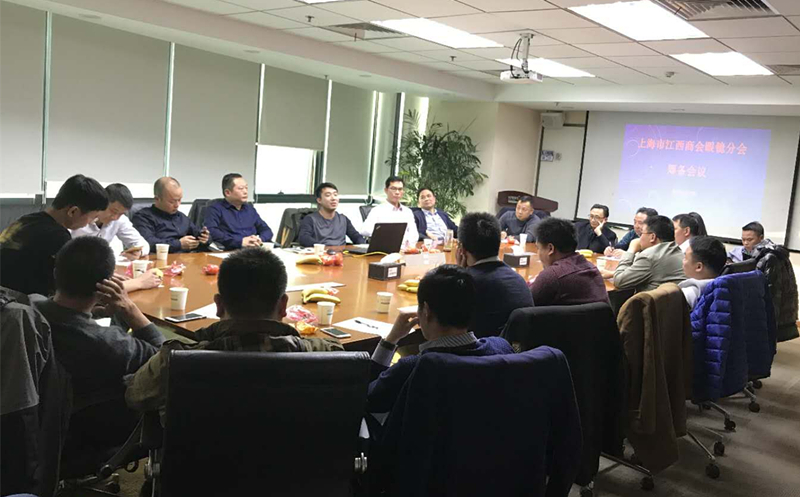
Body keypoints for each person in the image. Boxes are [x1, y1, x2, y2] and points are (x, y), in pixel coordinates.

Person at [125, 248, 344, 424]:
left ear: (219, 305)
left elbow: (134, 396)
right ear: (283, 305)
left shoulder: (175, 361)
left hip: (202, 465)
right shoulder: (328, 357)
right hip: (296, 466)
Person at [33, 237, 165, 453]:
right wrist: (129, 309)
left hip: (33, 422)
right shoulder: (108, 344)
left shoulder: (28, 306)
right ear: (106, 287)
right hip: (83, 429)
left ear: (56, 274)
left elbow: (60, 313)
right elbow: (165, 358)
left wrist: (91, 312)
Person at [366, 264, 514, 415]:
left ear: (426, 311)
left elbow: (367, 398)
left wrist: (391, 340)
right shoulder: (501, 348)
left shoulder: (413, 367)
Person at [0, 174, 107, 296]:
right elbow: (72, 284)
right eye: (92, 217)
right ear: (73, 211)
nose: (91, 222)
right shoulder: (58, 237)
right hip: (19, 302)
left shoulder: (26, 220)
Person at [71, 183, 161, 293]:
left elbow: (143, 244)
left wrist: (138, 252)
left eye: (121, 214)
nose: (115, 217)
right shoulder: (79, 219)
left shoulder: (119, 220)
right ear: (102, 202)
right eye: (113, 211)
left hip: (103, 273)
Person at [456, 212, 533, 337]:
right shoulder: (518, 279)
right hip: (518, 348)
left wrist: (459, 273)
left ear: (462, 250)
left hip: (479, 348)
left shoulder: (465, 284)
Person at [530, 218, 609, 306]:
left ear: (550, 249)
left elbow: (525, 304)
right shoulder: (591, 267)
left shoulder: (552, 275)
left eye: (538, 248)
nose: (538, 253)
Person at [605, 215, 685, 293]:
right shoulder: (677, 250)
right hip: (673, 300)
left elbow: (619, 281)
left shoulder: (649, 256)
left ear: (652, 237)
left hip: (650, 301)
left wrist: (631, 250)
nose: (639, 238)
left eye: (641, 233)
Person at [132, 177, 210, 253]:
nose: (177, 205)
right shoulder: (143, 217)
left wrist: (205, 238)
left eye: (179, 200)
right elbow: (148, 243)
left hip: (186, 258)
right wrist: (179, 244)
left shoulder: (182, 217)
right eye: (172, 201)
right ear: (157, 199)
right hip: (160, 258)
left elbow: (198, 234)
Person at [204, 173, 273, 250]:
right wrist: (240, 242)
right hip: (231, 250)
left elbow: (266, 230)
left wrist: (259, 239)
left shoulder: (249, 209)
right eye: (241, 188)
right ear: (227, 193)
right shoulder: (215, 208)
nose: (245, 191)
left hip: (254, 249)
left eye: (246, 188)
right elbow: (211, 231)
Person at [297, 182, 365, 247]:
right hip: (321, 253)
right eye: (328, 195)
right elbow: (304, 238)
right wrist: (321, 247)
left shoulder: (343, 219)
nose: (333, 198)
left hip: (341, 253)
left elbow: (356, 236)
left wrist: (364, 245)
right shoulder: (310, 219)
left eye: (335, 195)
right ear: (319, 200)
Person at [360, 176, 418, 247]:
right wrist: (384, 233)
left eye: (400, 189)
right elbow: (364, 230)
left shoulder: (407, 212)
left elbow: (414, 234)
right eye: (393, 189)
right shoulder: (377, 210)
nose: (397, 192)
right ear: (386, 190)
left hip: (405, 249)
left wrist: (410, 247)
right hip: (385, 248)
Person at [679, 236, 727, 310]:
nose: (683, 261)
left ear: (698, 267)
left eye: (685, 258)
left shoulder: (688, 294)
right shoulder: (726, 287)